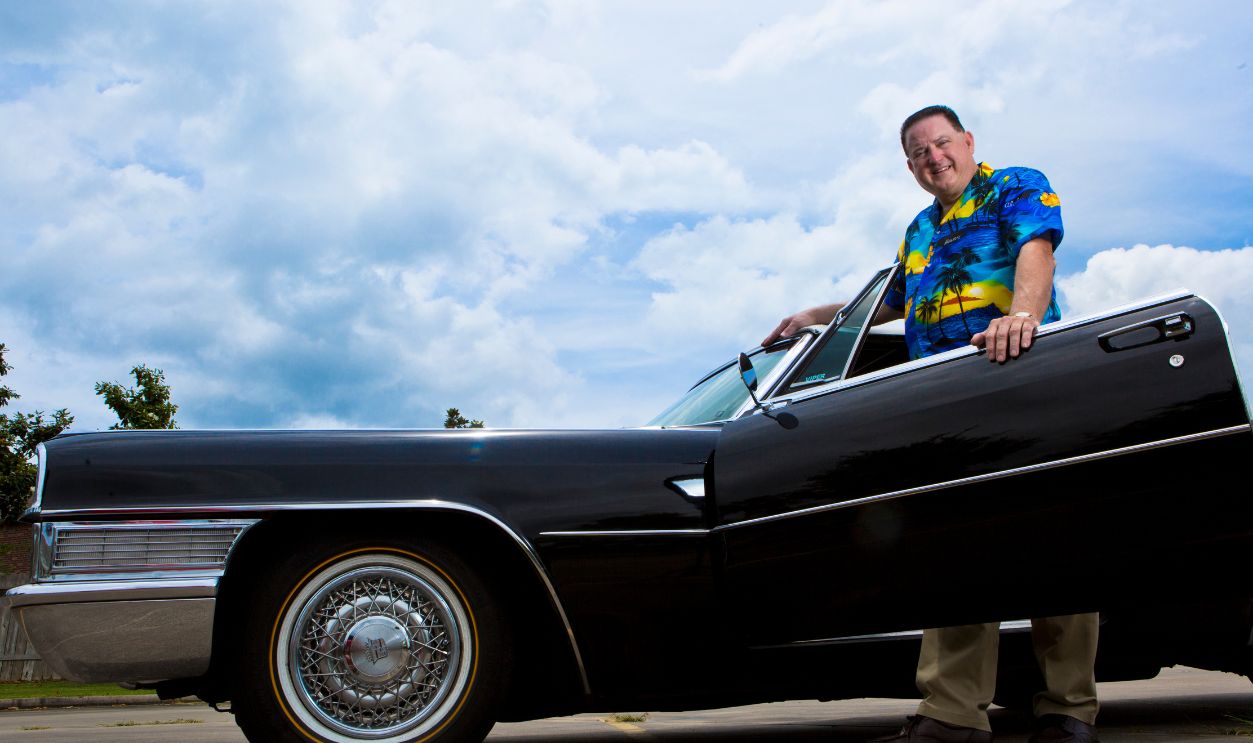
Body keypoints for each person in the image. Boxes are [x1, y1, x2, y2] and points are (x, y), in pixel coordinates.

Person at [764, 105, 1099, 743]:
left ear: (967, 142)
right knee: (957, 548)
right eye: (918, 153)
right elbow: (894, 300)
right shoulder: (918, 227)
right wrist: (819, 313)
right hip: (944, 403)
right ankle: (953, 715)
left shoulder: (1016, 185)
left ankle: (1068, 709)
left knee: (1055, 542)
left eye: (941, 144)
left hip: (1021, 381)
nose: (932, 158)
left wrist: (1020, 317)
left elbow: (1037, 250)